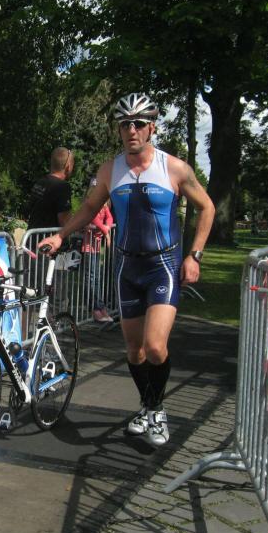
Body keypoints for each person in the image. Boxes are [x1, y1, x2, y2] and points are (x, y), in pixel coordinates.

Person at [38, 92, 215, 448]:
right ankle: (147, 406)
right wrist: (60, 236)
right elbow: (89, 208)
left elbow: (207, 208)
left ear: (151, 128)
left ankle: (157, 410)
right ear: (119, 130)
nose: (131, 130)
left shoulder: (174, 168)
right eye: (124, 124)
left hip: (162, 266)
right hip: (127, 267)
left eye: (138, 123)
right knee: (134, 352)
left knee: (155, 347)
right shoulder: (110, 170)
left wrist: (194, 255)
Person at [82, 185, 114, 323]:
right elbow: (93, 219)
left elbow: (110, 218)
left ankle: (100, 306)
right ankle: (94, 308)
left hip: (96, 247)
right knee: (91, 277)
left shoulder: (103, 206)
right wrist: (106, 232)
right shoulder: (90, 206)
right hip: (88, 246)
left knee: (97, 277)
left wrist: (106, 227)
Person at [27, 147, 75, 229]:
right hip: (50, 236)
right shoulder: (62, 187)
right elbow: (64, 221)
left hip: (32, 235)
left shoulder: (40, 182)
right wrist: (81, 225)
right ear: (68, 167)